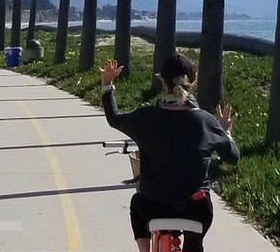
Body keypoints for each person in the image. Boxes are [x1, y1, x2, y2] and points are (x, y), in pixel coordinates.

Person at [100, 53, 238, 252]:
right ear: (194, 82)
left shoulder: (146, 117)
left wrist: (107, 84)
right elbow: (233, 157)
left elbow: (114, 118)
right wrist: (225, 132)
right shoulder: (206, 121)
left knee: (137, 202)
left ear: (162, 82)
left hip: (153, 207)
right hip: (197, 209)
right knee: (195, 241)